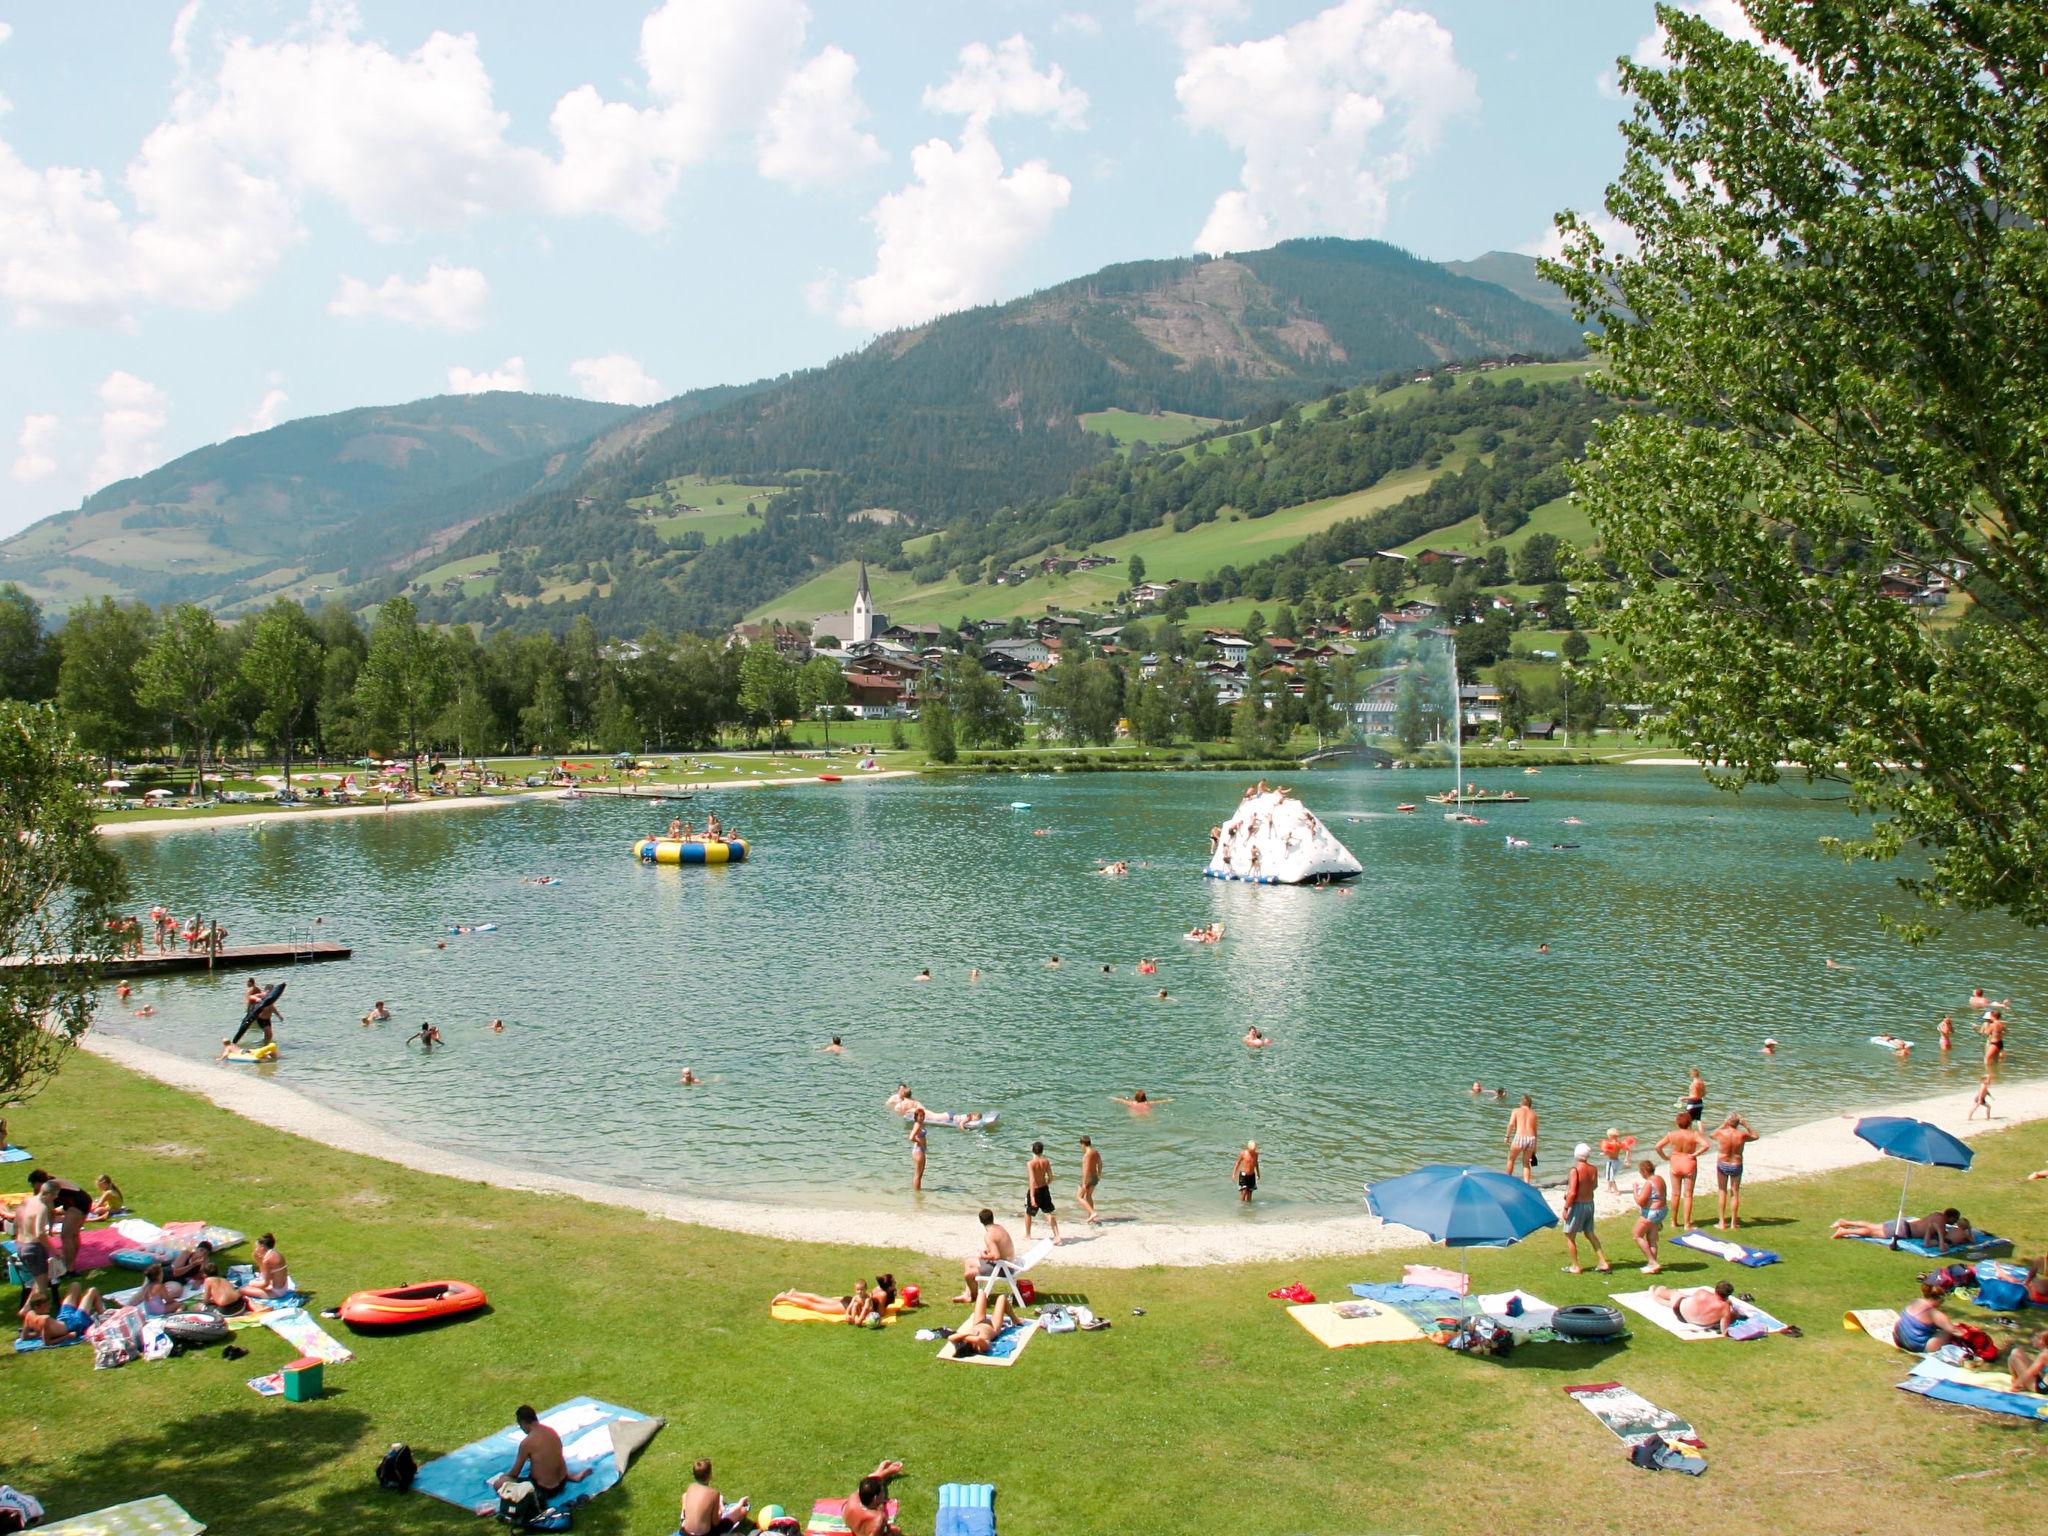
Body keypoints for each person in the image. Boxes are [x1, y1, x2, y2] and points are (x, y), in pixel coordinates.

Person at [503, 1404, 590, 1505]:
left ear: (523, 1423)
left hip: (545, 1490)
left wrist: (504, 1477)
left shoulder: (527, 1443)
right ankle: (572, 1477)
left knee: (501, 1483)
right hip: (562, 1483)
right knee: (550, 1460)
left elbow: (514, 1473)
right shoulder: (551, 1431)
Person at [1560, 1143, 1610, 1274]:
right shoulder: (1593, 1169)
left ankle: (1575, 1265)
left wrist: (1566, 1207)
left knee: (1570, 1235)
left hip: (1578, 1205)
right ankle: (1603, 1261)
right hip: (1589, 1204)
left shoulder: (1574, 1170)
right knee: (1590, 1233)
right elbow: (1594, 1186)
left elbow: (1572, 1192)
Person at [27, 1171, 89, 1276]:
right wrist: (50, 1227)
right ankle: (70, 1265)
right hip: (83, 1201)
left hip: (77, 1203)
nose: (33, 1187)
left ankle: (69, 1269)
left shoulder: (50, 1185)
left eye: (33, 1184)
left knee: (67, 1236)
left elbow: (47, 1207)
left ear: (38, 1182)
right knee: (73, 1235)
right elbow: (51, 1210)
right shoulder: (50, 1185)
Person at [1655, 1114, 1711, 1229]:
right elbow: (1706, 1145)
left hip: (1675, 1162)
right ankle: (1686, 1224)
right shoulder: (1694, 1134)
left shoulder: (1672, 1135)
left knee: (1675, 1194)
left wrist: (1665, 1157)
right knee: (1688, 1195)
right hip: (1689, 1162)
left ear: (1677, 1123)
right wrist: (1695, 1154)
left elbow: (1657, 1146)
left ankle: (1673, 1222)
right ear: (1690, 1123)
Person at [1711, 1113, 1759, 1230]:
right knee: (1735, 1193)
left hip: (1723, 1163)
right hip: (1736, 1164)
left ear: (1728, 1122)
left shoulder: (1721, 1133)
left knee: (1722, 1191)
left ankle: (1722, 1222)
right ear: (1738, 1123)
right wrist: (1746, 1124)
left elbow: (1711, 1135)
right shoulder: (1741, 1135)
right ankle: (1733, 1223)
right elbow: (1756, 1136)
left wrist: (1723, 1124)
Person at [955, 1208, 1015, 1302]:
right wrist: (988, 1251)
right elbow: (1000, 1247)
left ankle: (974, 1297)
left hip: (1002, 1268)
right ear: (992, 1218)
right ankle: (967, 1294)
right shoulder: (999, 1227)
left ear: (981, 1221)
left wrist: (983, 1256)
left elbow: (996, 1256)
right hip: (1007, 1263)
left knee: (967, 1275)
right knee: (969, 1262)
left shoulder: (989, 1235)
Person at [1830, 1208, 1973, 1247]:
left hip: (1905, 1223)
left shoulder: (1936, 1214)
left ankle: (1845, 1221)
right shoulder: (1941, 1222)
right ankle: (1845, 1230)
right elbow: (1944, 1237)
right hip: (1906, 1230)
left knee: (1873, 1225)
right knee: (1872, 1233)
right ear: (1951, 1219)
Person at [18, 1279, 102, 1344]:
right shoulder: (45, 1319)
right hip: (76, 1324)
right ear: (37, 1307)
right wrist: (67, 1336)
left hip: (62, 1318)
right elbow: (47, 1342)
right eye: (46, 1305)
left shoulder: (29, 1314)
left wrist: (37, 1334)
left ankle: (87, 1310)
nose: (49, 1306)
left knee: (75, 1285)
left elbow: (24, 1337)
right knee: (92, 1291)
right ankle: (104, 1315)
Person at [679, 1458, 748, 1536]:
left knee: (685, 1496)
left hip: (685, 1532)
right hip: (706, 1534)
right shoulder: (714, 1494)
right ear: (710, 1475)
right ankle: (740, 1505)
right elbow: (716, 1523)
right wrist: (721, 1511)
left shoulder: (690, 1488)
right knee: (742, 1510)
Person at [1894, 1282, 1963, 1354]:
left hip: (1899, 1339)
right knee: (1947, 1331)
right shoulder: (1934, 1314)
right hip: (1915, 1347)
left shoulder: (1916, 1301)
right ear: (1940, 1299)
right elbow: (1957, 1332)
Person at [1648, 1279, 1739, 1335]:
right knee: (1674, 1300)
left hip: (1680, 1311)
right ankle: (1656, 1296)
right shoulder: (1724, 1307)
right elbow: (1724, 1330)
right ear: (1728, 1295)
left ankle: (1658, 1292)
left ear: (1715, 1289)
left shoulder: (1702, 1292)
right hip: (1695, 1321)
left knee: (1674, 1293)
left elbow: (1691, 1302)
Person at [842, 1462, 906, 1536]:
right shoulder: (878, 1519)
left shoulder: (853, 1497)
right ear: (875, 1498)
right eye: (882, 1491)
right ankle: (884, 1472)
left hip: (853, 1524)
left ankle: (883, 1472)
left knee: (868, 1486)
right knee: (896, 1532)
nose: (884, 1493)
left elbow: (865, 1485)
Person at [1632, 1158, 1668, 1273]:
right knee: (1652, 1239)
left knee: (1637, 1235)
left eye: (1640, 1171)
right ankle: (1653, 1265)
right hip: (1661, 1211)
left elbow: (1640, 1201)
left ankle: (1652, 1262)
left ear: (1644, 1171)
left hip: (1651, 1213)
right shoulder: (1660, 1179)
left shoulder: (1649, 1182)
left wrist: (1635, 1190)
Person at [1023, 1141, 1060, 1244]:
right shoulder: (1046, 1162)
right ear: (1042, 1151)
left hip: (1035, 1190)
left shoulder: (1030, 1163)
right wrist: (1047, 1183)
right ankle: (1057, 1236)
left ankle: (1028, 1235)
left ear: (1032, 1150)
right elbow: (1051, 1177)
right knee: (1048, 1213)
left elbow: (1032, 1180)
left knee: (1028, 1213)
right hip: (1044, 1189)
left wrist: (1032, 1196)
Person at [242, 1232, 294, 1301]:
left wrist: (251, 1284)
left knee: (242, 1290)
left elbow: (265, 1284)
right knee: (252, 1284)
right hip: (283, 1287)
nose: (256, 1249)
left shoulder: (267, 1260)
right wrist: (259, 1260)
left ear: (262, 1247)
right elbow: (266, 1274)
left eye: (257, 1247)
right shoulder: (275, 1253)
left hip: (276, 1292)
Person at [1503, 1096, 1538, 1183]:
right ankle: (1527, 1184)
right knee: (1526, 1163)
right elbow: (1535, 1131)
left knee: (1511, 1159)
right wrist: (1535, 1148)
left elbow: (1511, 1125)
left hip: (1519, 1138)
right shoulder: (1534, 1114)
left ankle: (1507, 1181)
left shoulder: (1516, 1111)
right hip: (1531, 1139)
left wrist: (1507, 1136)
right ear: (1530, 1105)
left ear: (1521, 1103)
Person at [1077, 1135, 1102, 1224]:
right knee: (1088, 1196)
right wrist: (1099, 1174)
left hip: (1088, 1178)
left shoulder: (1087, 1155)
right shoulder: (1095, 1152)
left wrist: (1084, 1183)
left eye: (1081, 1145)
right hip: (1095, 1177)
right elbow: (1100, 1163)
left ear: (1083, 1144)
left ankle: (1092, 1213)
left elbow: (1086, 1170)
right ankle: (1091, 1217)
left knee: (1079, 1197)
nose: (1081, 1147)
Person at [1599, 1128, 1632, 1193]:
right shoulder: (1619, 1143)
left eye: (1608, 1136)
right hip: (1617, 1161)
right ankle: (1609, 1188)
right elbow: (1628, 1149)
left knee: (1610, 1177)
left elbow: (1609, 1153)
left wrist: (1604, 1153)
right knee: (1610, 1175)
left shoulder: (1611, 1144)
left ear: (1610, 1136)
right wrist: (1626, 1159)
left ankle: (1616, 1190)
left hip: (1611, 1162)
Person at [908, 1108, 927, 1193]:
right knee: (918, 1175)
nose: (922, 1117)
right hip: (918, 1150)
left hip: (921, 1150)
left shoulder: (919, 1124)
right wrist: (918, 1141)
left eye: (923, 1116)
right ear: (916, 1117)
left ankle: (917, 1191)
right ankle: (917, 1193)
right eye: (920, 1116)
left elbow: (918, 1135)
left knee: (920, 1174)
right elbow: (911, 1137)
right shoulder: (917, 1125)